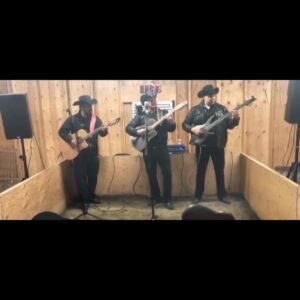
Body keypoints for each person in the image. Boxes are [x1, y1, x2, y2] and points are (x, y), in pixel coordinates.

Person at [182, 84, 240, 204]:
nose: (212, 98)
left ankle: (222, 195)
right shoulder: (195, 110)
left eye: (213, 95)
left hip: (218, 144)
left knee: (219, 170)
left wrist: (235, 119)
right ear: (203, 96)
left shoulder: (222, 109)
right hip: (202, 145)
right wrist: (193, 129)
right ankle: (198, 196)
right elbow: (185, 125)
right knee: (200, 171)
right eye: (209, 96)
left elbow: (229, 125)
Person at [125, 92, 176, 210]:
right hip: (148, 149)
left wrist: (172, 122)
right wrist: (138, 132)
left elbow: (172, 129)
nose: (153, 100)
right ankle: (155, 198)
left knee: (167, 174)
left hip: (163, 148)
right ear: (145, 103)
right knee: (151, 175)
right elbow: (128, 128)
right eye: (149, 99)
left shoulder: (163, 113)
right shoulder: (141, 116)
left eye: (153, 98)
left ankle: (167, 200)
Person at [58, 95, 108, 207]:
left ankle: (90, 197)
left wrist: (104, 130)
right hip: (79, 154)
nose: (90, 107)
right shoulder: (73, 119)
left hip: (93, 153)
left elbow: (103, 134)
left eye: (90, 105)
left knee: (93, 176)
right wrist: (71, 140)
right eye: (87, 105)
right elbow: (62, 132)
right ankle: (85, 199)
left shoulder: (96, 119)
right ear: (81, 106)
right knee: (80, 178)